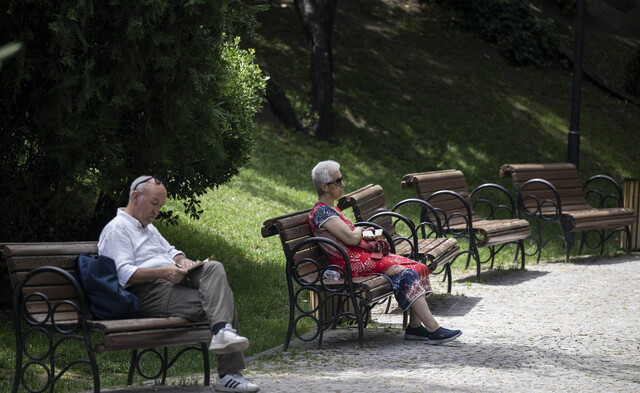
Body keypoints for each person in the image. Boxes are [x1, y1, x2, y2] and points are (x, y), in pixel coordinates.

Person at [98, 176, 259, 392]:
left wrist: (182, 260)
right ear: (135, 196)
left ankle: (222, 332)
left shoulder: (148, 227)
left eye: (161, 206)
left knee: (214, 268)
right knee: (222, 300)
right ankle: (228, 374)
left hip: (172, 283)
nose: (157, 211)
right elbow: (123, 274)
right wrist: (164, 272)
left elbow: (171, 251)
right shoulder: (118, 229)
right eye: (154, 204)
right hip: (146, 292)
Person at [309, 161, 461, 344]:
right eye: (338, 181)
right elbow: (351, 238)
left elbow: (353, 235)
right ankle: (433, 328)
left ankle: (415, 328)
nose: (343, 184)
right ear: (324, 187)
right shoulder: (321, 213)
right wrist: (359, 229)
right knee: (405, 273)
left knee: (419, 267)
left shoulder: (332, 209)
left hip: (363, 257)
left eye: (342, 179)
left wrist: (367, 232)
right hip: (352, 263)